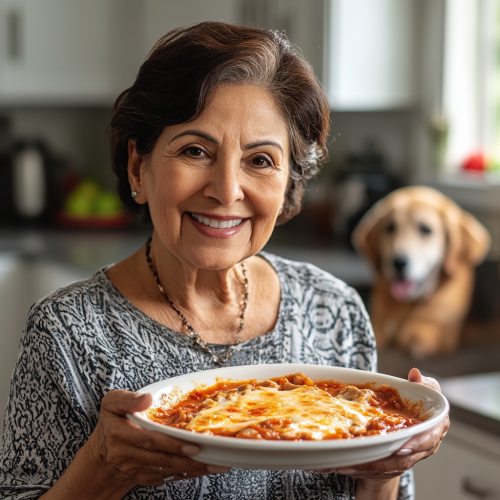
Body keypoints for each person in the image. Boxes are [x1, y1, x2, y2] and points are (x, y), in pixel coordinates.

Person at [0, 22, 448, 500]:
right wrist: (104, 465)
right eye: (195, 151)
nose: (226, 190)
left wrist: (384, 469)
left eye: (260, 160)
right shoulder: (69, 333)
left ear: (288, 182)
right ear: (139, 166)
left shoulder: (334, 311)